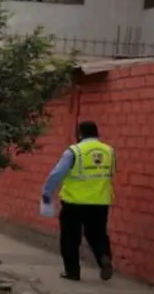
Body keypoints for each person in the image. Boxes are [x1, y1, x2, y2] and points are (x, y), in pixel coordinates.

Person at [41, 120, 115, 282]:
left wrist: (47, 192)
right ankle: (104, 257)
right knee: (98, 234)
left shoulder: (74, 151)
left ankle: (72, 271)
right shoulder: (109, 151)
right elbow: (110, 174)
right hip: (100, 202)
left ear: (80, 134)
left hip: (74, 202)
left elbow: (57, 174)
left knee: (70, 237)